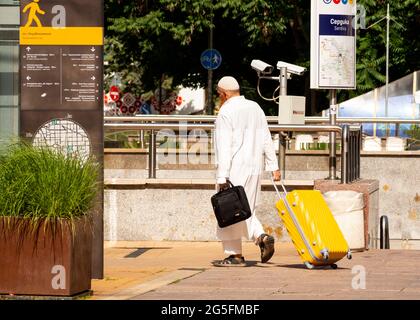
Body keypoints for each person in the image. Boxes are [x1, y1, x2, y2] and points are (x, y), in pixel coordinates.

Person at [213, 76, 281, 267]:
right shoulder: (255, 107)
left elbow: (224, 146)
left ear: (224, 94)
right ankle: (261, 237)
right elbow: (266, 137)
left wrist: (222, 176)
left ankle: (235, 255)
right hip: (254, 167)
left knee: (229, 211)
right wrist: (273, 166)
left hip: (234, 168)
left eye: (219, 94)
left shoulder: (226, 111)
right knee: (245, 209)